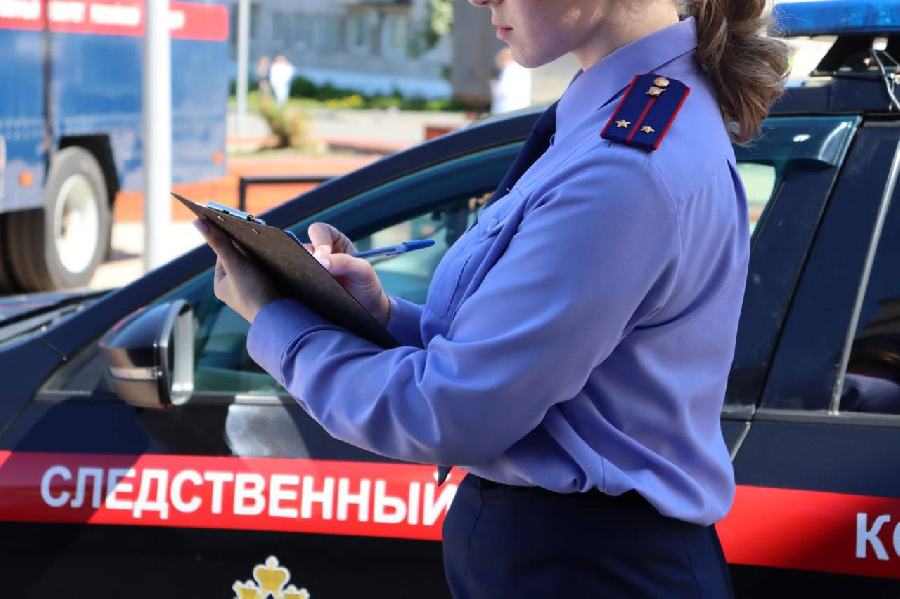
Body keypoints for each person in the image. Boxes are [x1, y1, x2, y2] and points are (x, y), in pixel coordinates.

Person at [195, 0, 788, 595]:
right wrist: (378, 315)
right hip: (581, 555)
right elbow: (524, 358)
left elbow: (447, 412)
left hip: (586, 565)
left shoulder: (626, 164)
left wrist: (275, 319)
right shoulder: (624, 116)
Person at [491, 46, 532, 114]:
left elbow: (501, 91)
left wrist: (494, 85)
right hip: (522, 108)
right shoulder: (524, 69)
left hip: (507, 109)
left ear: (504, 59)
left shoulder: (508, 70)